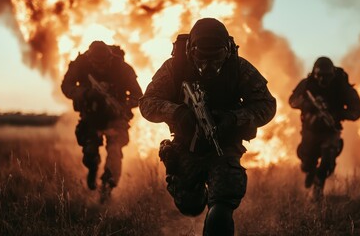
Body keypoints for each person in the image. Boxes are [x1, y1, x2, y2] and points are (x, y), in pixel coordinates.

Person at [139, 18, 276, 235]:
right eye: (202, 58)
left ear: (227, 51)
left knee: (222, 204)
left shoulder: (239, 68)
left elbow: (267, 105)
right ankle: (195, 190)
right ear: (191, 51)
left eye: (217, 58)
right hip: (186, 145)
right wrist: (177, 113)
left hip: (224, 144)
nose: (209, 66)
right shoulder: (175, 68)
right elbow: (147, 102)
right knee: (190, 206)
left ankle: (215, 211)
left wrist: (234, 118)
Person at [61, 41, 143, 201]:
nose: (100, 67)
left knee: (114, 149)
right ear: (90, 59)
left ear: (110, 58)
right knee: (90, 153)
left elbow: (138, 96)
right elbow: (66, 86)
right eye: (96, 63)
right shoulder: (81, 64)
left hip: (116, 118)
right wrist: (86, 93)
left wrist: (122, 104)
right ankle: (93, 169)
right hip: (91, 116)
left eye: (104, 63)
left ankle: (107, 186)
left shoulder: (122, 68)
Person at [289, 56, 360, 200]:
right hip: (310, 130)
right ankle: (310, 171)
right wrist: (307, 104)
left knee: (327, 162)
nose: (323, 80)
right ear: (314, 74)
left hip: (330, 131)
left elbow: (357, 110)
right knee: (306, 163)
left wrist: (338, 114)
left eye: (327, 76)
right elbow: (292, 101)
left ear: (333, 75)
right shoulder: (307, 84)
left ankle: (317, 189)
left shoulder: (341, 85)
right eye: (320, 76)